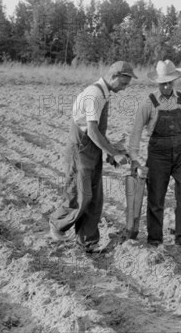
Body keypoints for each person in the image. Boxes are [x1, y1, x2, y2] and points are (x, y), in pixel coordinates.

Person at [49, 61, 136, 253]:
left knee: (95, 197)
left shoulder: (104, 94)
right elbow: (92, 131)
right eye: (123, 83)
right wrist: (113, 153)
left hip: (91, 149)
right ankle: (57, 223)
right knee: (80, 195)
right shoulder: (95, 94)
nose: (124, 88)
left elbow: (97, 133)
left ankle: (88, 241)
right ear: (114, 76)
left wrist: (113, 147)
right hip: (81, 150)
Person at [129, 60, 181, 247]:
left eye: (170, 82)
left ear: (175, 81)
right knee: (156, 198)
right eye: (163, 83)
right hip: (158, 154)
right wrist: (134, 159)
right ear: (158, 83)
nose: (167, 86)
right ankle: (154, 239)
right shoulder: (149, 102)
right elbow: (136, 131)